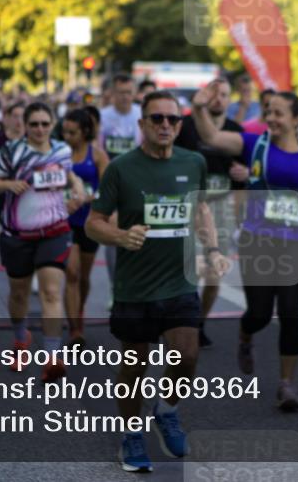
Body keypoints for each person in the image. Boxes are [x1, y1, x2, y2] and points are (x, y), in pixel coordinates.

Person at [191, 81, 298, 411]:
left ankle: (287, 383)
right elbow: (212, 137)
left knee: (290, 313)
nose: (270, 117)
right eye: (268, 112)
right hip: (258, 241)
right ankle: (245, 334)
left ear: (297, 119)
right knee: (258, 313)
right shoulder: (255, 145)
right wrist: (199, 108)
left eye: (278, 113)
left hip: (296, 243)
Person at [86, 90, 228, 473]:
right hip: (136, 288)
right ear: (142, 124)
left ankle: (166, 410)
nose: (166, 125)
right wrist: (120, 236)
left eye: (173, 119)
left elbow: (200, 210)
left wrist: (212, 250)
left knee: (188, 355)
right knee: (135, 367)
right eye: (157, 118)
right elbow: (93, 223)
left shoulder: (193, 161)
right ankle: (131, 435)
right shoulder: (121, 168)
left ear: (181, 125)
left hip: (178, 283)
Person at [0, 102, 86, 383]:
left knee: (52, 293)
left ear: (53, 124)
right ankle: (20, 339)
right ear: (25, 126)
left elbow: (68, 174)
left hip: (54, 230)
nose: (40, 129)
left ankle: (53, 358)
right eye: (34, 124)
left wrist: (76, 188)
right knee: (19, 295)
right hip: (17, 235)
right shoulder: (12, 151)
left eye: (45, 123)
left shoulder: (61, 151)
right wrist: (7, 186)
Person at [174, 77, 246, 348]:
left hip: (221, 207)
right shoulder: (188, 127)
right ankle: (180, 323)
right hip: (189, 205)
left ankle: (200, 322)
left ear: (230, 99)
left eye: (224, 95)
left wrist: (246, 173)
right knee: (187, 271)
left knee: (215, 275)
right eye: (214, 94)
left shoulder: (235, 131)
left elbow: (246, 177)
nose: (219, 99)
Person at [61, 108, 109, 347]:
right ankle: (75, 330)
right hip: (64, 222)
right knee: (71, 272)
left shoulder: (98, 155)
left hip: (89, 222)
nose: (67, 136)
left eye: (73, 132)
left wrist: (87, 198)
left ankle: (78, 311)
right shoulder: (58, 154)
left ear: (85, 132)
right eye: (65, 132)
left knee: (84, 277)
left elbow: (109, 189)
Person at [99, 74, 144, 295]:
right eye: (121, 92)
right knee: (114, 234)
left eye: (129, 92)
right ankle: (115, 286)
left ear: (134, 93)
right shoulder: (103, 117)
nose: (125, 97)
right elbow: (98, 152)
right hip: (112, 183)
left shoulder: (141, 115)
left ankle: (136, 286)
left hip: (137, 183)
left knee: (138, 234)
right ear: (112, 94)